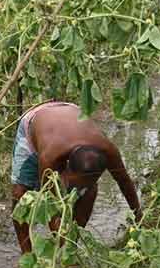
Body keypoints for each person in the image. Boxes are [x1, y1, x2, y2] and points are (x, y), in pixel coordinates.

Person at [11, 101, 141, 252]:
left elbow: (125, 182)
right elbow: (51, 205)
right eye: (77, 183)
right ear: (66, 168)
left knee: (89, 193)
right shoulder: (50, 157)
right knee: (19, 194)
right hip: (34, 122)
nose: (80, 188)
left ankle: (72, 246)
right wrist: (60, 236)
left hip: (72, 111)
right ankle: (27, 253)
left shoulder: (108, 150)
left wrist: (139, 217)